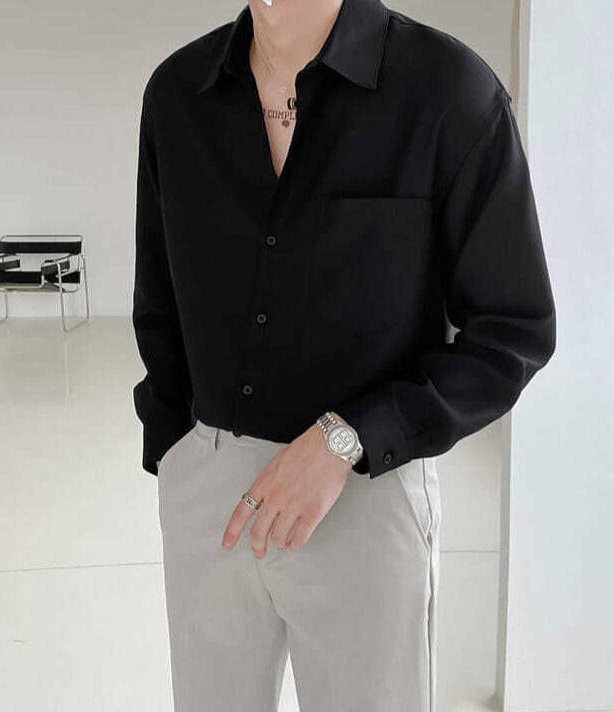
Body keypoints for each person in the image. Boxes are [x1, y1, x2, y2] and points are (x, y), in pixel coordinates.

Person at [131, 0, 556, 710]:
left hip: (364, 490)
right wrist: (179, 457)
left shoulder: (448, 92)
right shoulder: (177, 94)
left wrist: (347, 437)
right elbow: (159, 298)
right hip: (209, 496)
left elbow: (514, 329)